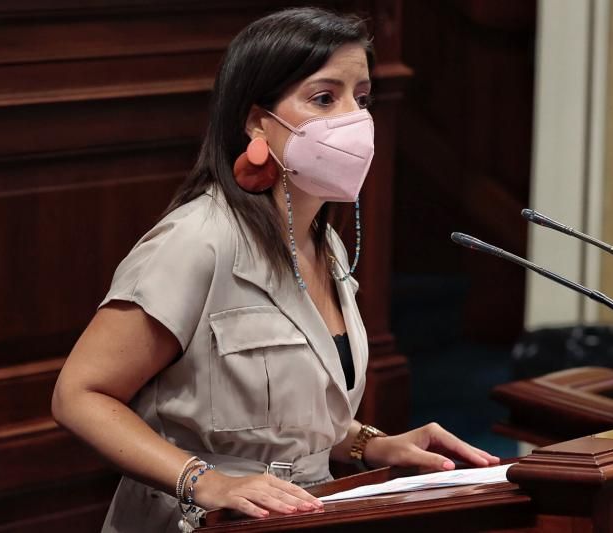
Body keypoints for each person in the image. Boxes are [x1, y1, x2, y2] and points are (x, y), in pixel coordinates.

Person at [51, 7, 499, 532]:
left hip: (306, 514)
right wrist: (207, 481)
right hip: (199, 521)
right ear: (256, 120)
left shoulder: (323, 242)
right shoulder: (198, 240)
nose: (353, 118)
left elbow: (281, 415)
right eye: (324, 97)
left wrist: (370, 443)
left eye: (362, 97)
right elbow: (79, 395)